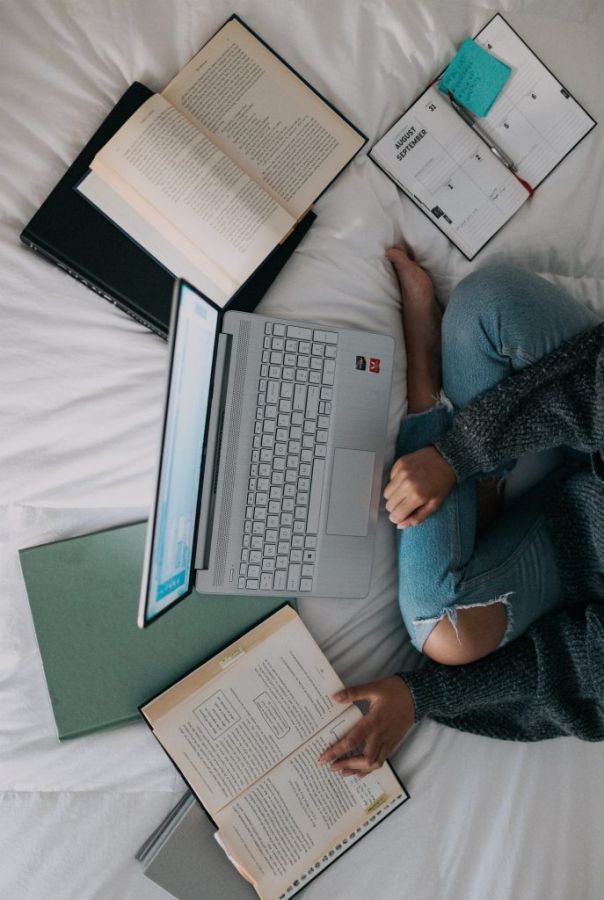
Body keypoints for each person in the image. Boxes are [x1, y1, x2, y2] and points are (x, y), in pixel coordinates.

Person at [319, 247, 604, 777]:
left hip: (581, 550)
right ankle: (479, 476)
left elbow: (587, 663)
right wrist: (458, 455)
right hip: (593, 418)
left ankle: (427, 393)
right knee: (487, 303)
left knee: (441, 626)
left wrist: (422, 695)